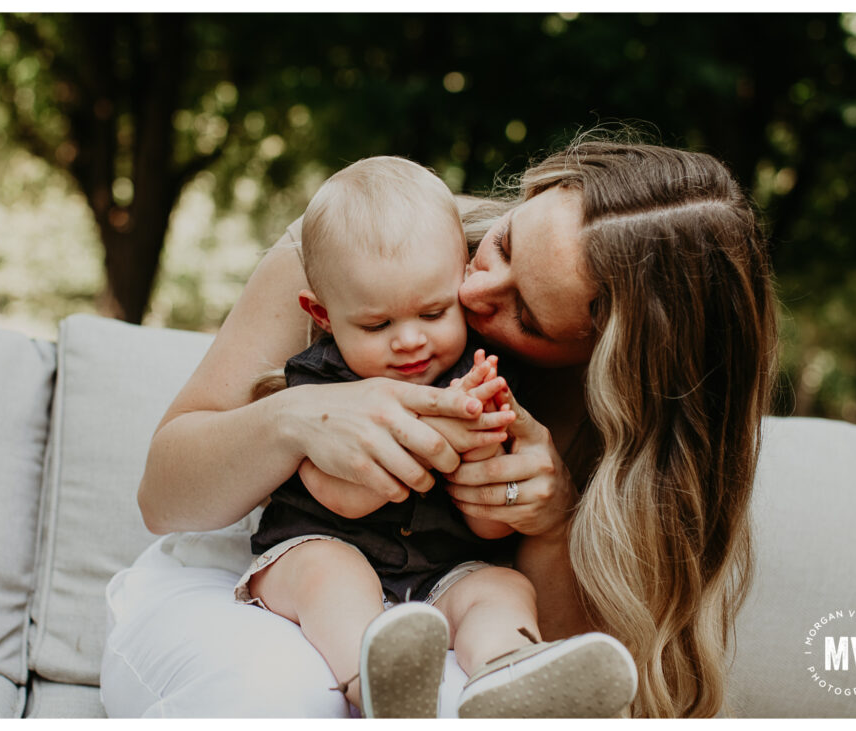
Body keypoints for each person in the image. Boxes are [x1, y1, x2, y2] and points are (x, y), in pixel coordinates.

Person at [102, 130, 777, 718]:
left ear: (606, 360)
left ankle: (495, 666)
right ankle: (368, 676)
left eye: (529, 318)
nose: (473, 291)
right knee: (285, 694)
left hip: (444, 596)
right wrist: (295, 418)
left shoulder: (609, 419)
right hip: (279, 577)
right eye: (505, 244)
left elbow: (582, 658)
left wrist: (545, 520)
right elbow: (163, 498)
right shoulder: (369, 248)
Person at [234, 156, 637, 718]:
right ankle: (371, 680)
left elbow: (489, 523)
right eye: (378, 326)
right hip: (321, 545)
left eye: (433, 311)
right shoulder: (323, 376)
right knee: (333, 575)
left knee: (500, 587)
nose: (409, 341)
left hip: (441, 572)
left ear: (456, 286)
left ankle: (507, 671)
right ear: (324, 316)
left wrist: (479, 450)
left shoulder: (484, 377)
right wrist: (430, 436)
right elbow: (339, 497)